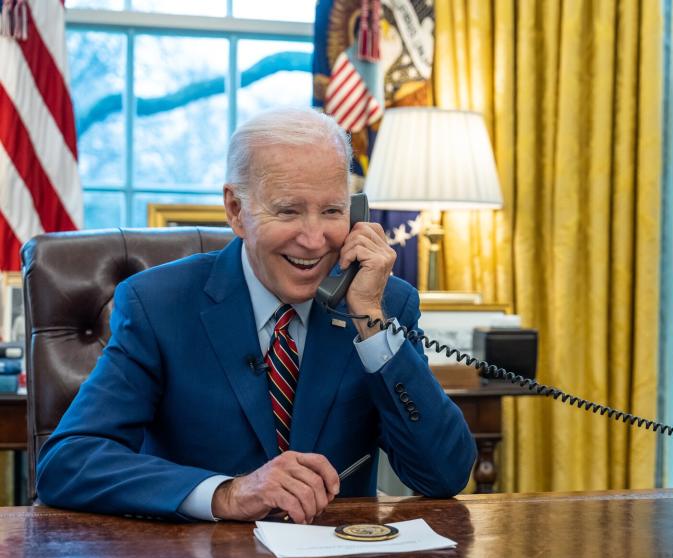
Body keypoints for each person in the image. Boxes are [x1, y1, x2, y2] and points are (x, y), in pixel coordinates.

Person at [36, 108, 477, 523]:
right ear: (235, 210)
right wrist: (227, 493)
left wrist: (371, 326)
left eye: (332, 211)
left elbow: (445, 474)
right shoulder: (159, 305)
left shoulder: (384, 304)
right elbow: (68, 462)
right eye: (288, 210)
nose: (313, 239)